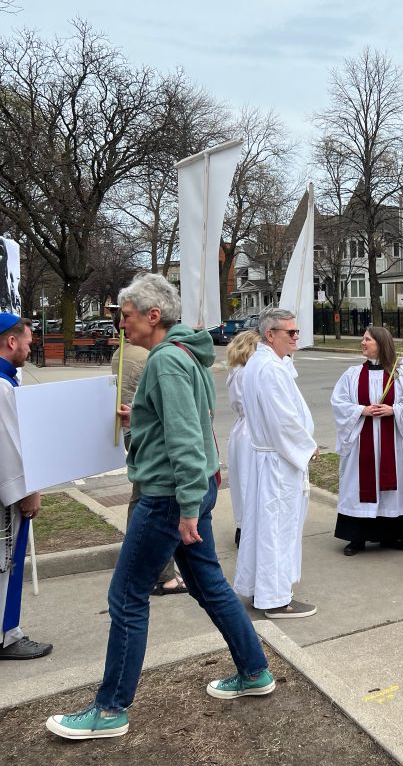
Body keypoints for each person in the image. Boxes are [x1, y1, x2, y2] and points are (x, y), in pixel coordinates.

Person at [46, 274, 274, 740]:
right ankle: (254, 672)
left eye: (125, 316)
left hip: (170, 496)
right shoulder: (186, 353)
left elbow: (186, 437)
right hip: (190, 489)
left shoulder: (166, 361)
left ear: (153, 316)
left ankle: (109, 710)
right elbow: (187, 418)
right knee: (208, 584)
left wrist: (188, 506)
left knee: (127, 596)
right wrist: (143, 414)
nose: (120, 324)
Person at [233, 309, 318, 619]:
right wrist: (307, 448)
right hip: (278, 461)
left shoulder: (264, 362)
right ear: (270, 335)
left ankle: (261, 588)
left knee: (265, 526)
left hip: (269, 459)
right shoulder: (269, 368)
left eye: (297, 332)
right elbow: (284, 419)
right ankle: (275, 598)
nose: (296, 337)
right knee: (277, 529)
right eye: (290, 333)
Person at [111, 307, 184, 596]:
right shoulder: (153, 359)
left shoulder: (121, 354)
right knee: (152, 499)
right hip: (146, 435)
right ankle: (162, 573)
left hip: (132, 429)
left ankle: (145, 561)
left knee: (139, 495)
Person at [332, 325, 403, 555]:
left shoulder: (399, 373)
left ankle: (392, 535)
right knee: (358, 485)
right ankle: (357, 537)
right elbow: (338, 403)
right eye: (363, 339)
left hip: (393, 442)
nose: (362, 343)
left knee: (392, 484)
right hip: (362, 442)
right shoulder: (352, 374)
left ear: (381, 344)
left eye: (367, 340)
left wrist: (394, 410)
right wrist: (362, 410)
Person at [0, 314, 51, 660]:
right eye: (28, 340)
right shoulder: (2, 386)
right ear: (11, 341)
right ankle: (7, 635)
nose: (32, 346)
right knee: (6, 563)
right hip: (5, 494)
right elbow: (8, 444)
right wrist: (26, 489)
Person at [226, 330, 260, 549]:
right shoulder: (247, 373)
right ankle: (249, 528)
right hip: (252, 429)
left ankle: (242, 525)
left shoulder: (235, 372)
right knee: (250, 480)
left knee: (241, 480)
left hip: (241, 430)